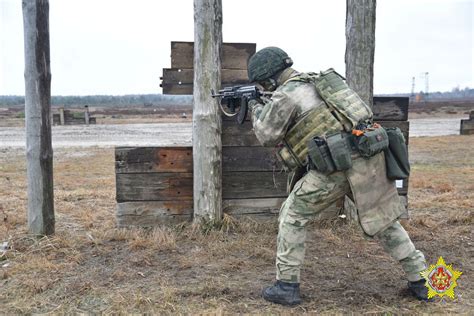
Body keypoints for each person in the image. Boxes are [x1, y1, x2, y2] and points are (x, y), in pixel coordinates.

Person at [246, 47, 430, 306]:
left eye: (264, 82)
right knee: (384, 219)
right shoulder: (319, 80)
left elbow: (267, 134)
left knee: (293, 215)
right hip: (366, 157)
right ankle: (422, 280)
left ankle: (286, 285)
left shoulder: (286, 94)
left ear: (270, 78)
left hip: (335, 166)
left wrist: (254, 108)